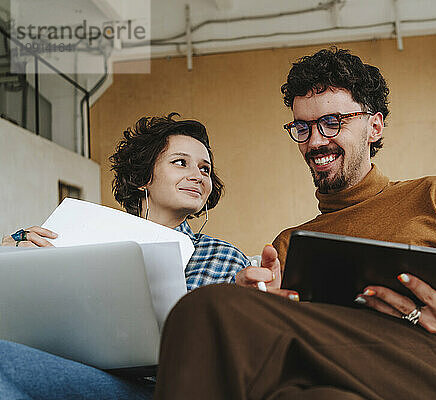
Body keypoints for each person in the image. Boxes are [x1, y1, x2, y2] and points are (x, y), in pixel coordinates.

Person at [153, 49, 436, 400]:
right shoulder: (291, 243)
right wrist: (258, 308)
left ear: (374, 126)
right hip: (348, 378)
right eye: (302, 127)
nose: (314, 142)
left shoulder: (432, 196)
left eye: (332, 122)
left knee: (205, 307)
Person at [0, 113, 257, 399]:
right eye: (180, 162)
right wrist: (10, 259)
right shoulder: (77, 236)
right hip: (79, 372)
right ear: (142, 176)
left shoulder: (224, 257)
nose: (198, 176)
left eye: (205, 169)